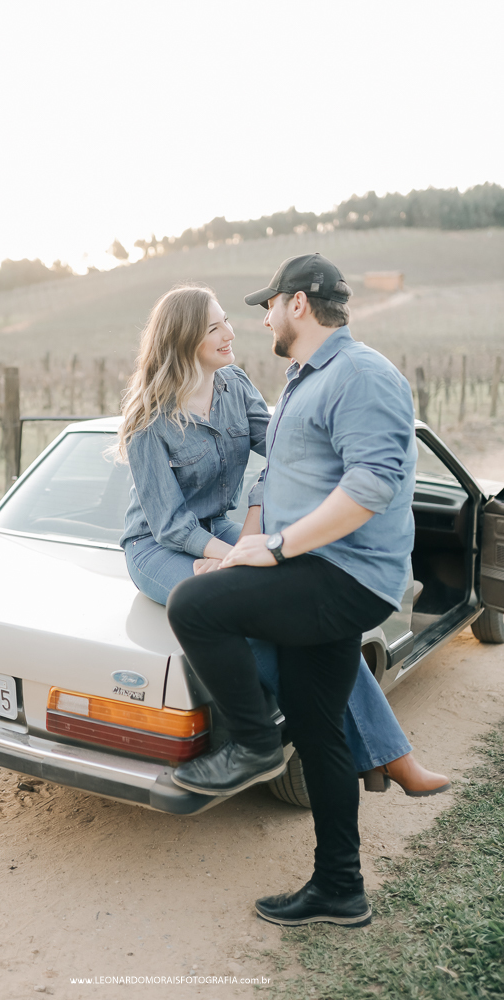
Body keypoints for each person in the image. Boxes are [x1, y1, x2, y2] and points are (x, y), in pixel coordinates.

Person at [163, 254, 424, 927]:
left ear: (298, 304)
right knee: (318, 730)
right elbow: (277, 477)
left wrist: (275, 548)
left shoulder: (359, 374)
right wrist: (256, 539)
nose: (263, 317)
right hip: (316, 572)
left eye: (267, 304)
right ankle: (339, 889)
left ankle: (250, 743)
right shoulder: (304, 379)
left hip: (342, 575)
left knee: (194, 605)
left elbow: (371, 486)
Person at [118, 282, 449, 800]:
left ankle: (389, 753)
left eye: (227, 319)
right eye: (214, 327)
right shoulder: (148, 418)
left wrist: (252, 527)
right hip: (158, 547)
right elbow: (168, 524)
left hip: (222, 529)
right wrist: (232, 558)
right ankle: (340, 750)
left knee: (305, 616)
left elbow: (282, 453)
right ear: (183, 340)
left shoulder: (235, 386)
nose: (231, 333)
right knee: (245, 619)